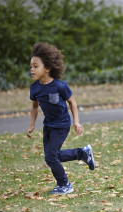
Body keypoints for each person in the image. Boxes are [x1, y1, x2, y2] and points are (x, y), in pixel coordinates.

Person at [27, 42, 95, 195]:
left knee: (51, 157)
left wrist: (76, 122)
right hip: (48, 125)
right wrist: (31, 125)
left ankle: (65, 184)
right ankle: (82, 153)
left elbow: (72, 102)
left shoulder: (59, 86)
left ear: (48, 68)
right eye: (31, 66)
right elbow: (34, 107)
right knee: (52, 157)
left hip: (62, 124)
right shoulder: (35, 88)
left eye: (36, 66)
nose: (32, 69)